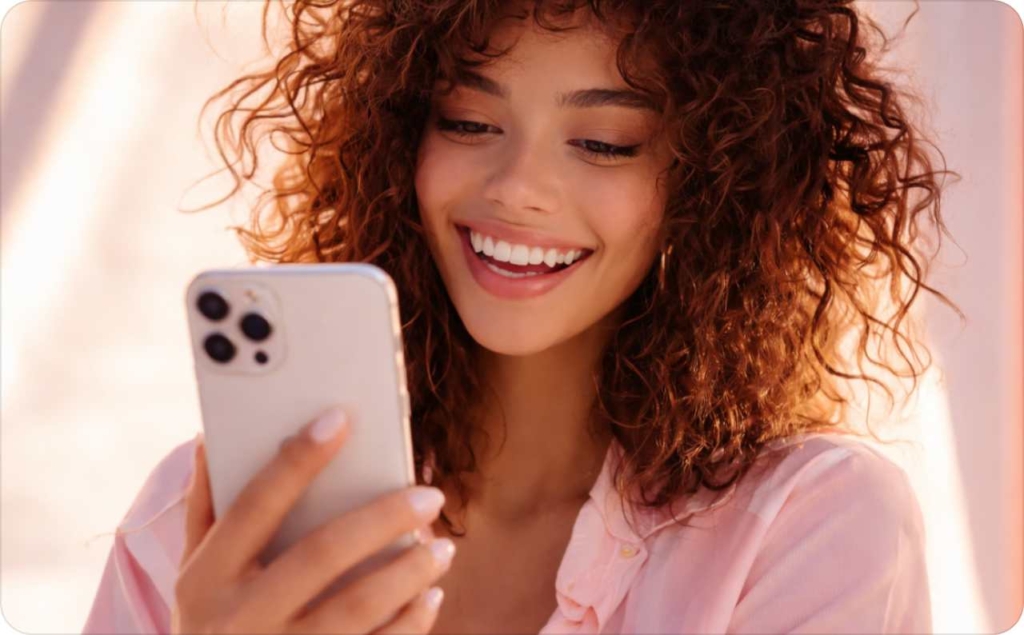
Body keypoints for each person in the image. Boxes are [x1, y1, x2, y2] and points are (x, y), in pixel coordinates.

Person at [83, 0, 961, 633]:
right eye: (467, 121)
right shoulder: (203, 522)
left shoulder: (812, 526)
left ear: (717, 181)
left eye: (605, 142)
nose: (515, 190)